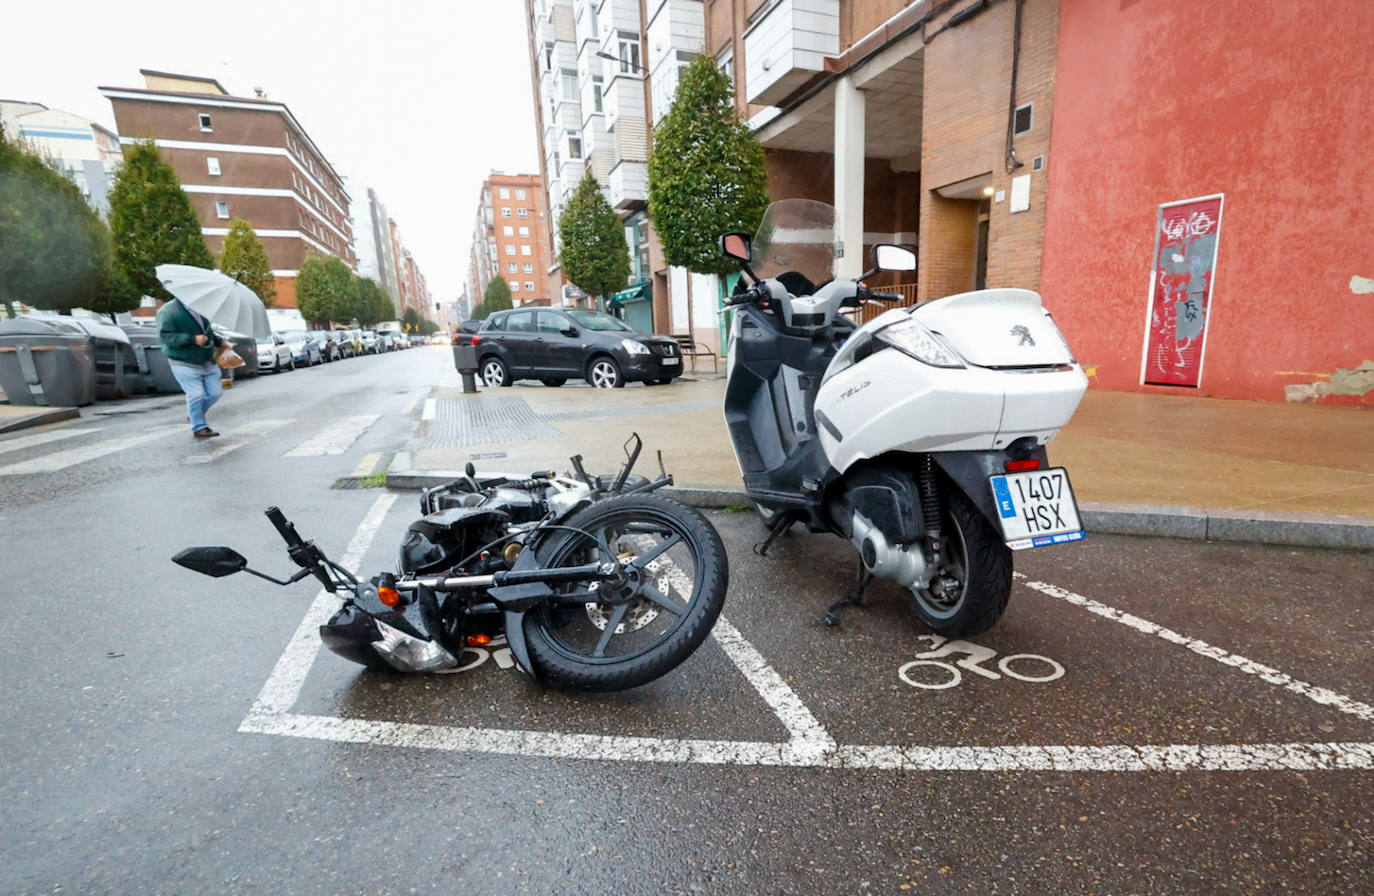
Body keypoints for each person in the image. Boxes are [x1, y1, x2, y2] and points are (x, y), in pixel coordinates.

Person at [157, 298, 224, 438]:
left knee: (215, 393)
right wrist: (192, 339)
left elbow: (208, 331)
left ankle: (193, 414)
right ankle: (199, 426)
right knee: (196, 395)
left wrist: (221, 342)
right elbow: (166, 336)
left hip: (207, 359)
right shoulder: (168, 311)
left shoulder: (201, 309)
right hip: (183, 361)